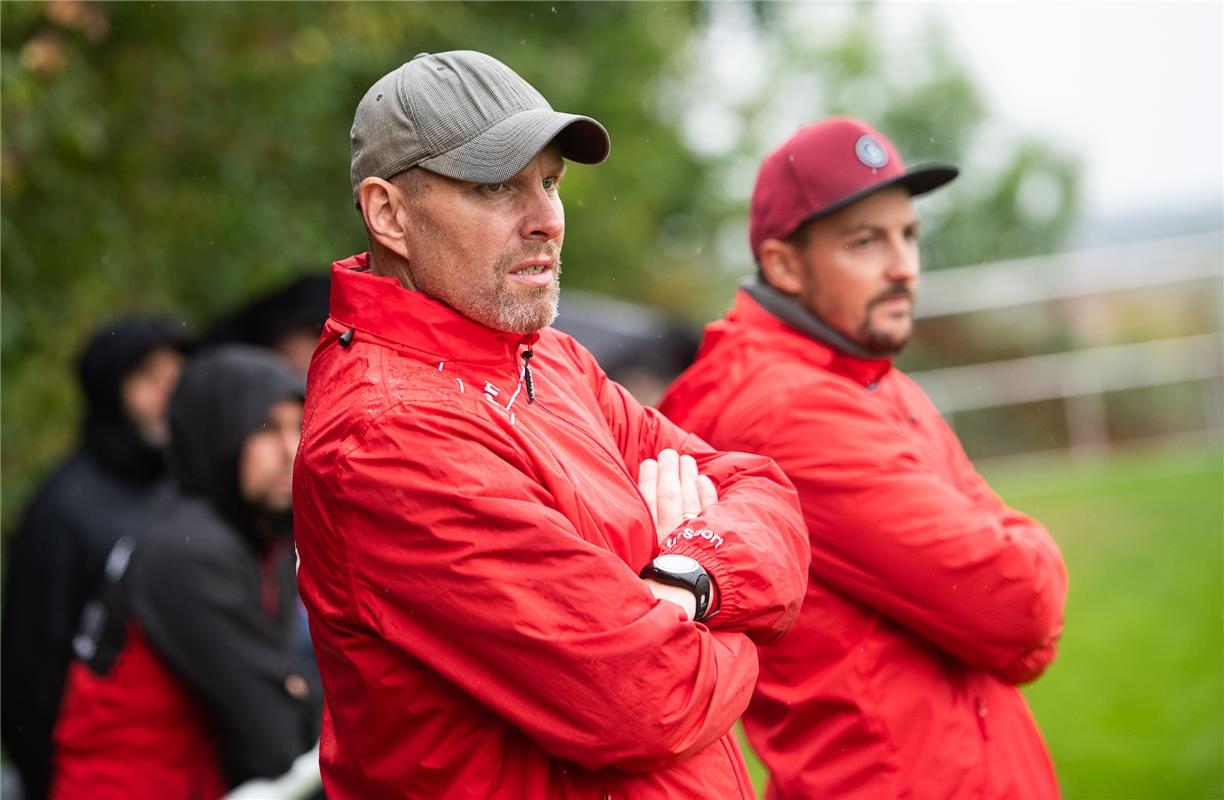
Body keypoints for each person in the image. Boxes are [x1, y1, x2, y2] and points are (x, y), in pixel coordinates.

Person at [292, 50, 809, 799]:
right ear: (389, 214)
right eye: (497, 186)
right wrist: (736, 626)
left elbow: (765, 492)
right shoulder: (386, 437)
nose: (546, 221)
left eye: (551, 182)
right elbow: (646, 699)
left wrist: (686, 582)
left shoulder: (552, 360)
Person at [659, 117, 1069, 799]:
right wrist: (1025, 545)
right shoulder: (781, 408)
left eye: (909, 235)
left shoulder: (864, 374)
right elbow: (1016, 602)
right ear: (785, 264)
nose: (904, 265)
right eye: (866, 242)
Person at [49, 346, 322, 800]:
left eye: (298, 426)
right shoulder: (187, 553)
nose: (291, 449)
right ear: (219, 432)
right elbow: (276, 740)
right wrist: (296, 691)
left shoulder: (250, 533)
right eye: (266, 428)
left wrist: (296, 690)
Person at [1, 314, 187, 800]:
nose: (168, 394)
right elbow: (33, 669)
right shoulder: (64, 510)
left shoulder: (178, 488)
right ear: (111, 389)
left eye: (176, 378)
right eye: (149, 378)